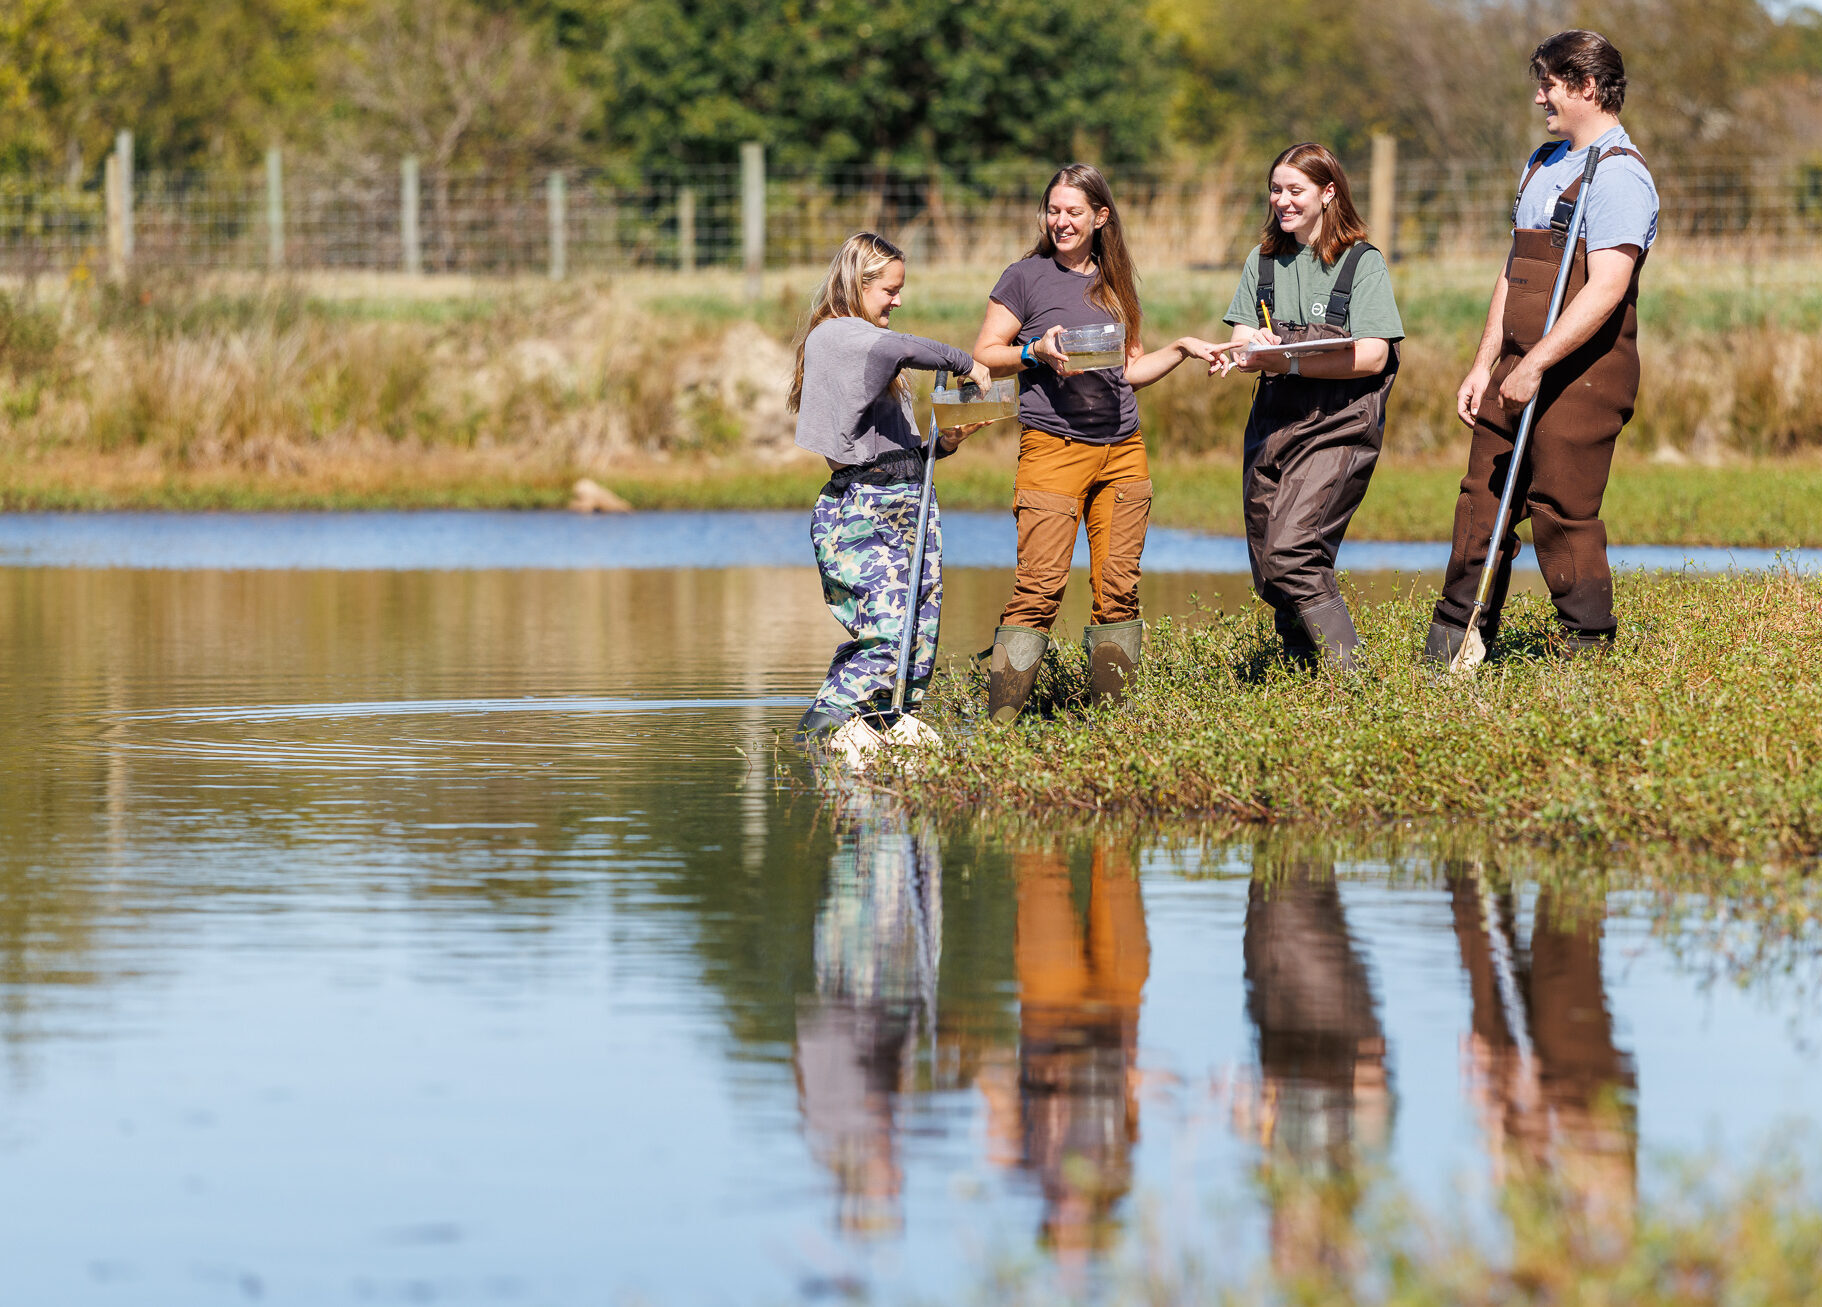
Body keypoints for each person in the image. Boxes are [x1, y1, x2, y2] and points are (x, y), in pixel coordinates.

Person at [1426, 30, 1659, 664]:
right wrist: (1486, 364)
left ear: (1587, 87)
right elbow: (1513, 273)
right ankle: (1456, 644)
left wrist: (1535, 365)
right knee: (1482, 498)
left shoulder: (1620, 177)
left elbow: (1606, 289)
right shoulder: (1541, 163)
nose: (1539, 98)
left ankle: (1585, 653)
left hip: (1584, 374)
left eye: (1550, 85)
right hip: (1515, 366)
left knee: (1561, 507)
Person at [972, 164, 1222, 722]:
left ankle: (1111, 728)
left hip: (1123, 451)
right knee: (1038, 590)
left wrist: (1181, 348)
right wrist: (1035, 352)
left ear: (1100, 217)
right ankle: (999, 730)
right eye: (1053, 210)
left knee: (1119, 593)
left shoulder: (1116, 280)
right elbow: (986, 352)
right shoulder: (1024, 277)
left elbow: (1128, 371)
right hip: (1052, 449)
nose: (1060, 221)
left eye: (1073, 212)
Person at [790, 232, 992, 743]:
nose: (898, 300)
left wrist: (944, 444)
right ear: (857, 284)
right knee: (889, 632)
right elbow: (906, 348)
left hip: (909, 498)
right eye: (889, 290)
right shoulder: (835, 336)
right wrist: (966, 362)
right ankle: (812, 741)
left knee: (919, 635)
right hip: (863, 507)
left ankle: (881, 732)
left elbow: (899, 452)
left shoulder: (868, 346)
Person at [1216, 143, 1404, 671]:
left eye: (1295, 190)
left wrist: (1290, 362)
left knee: (1292, 551)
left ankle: (1352, 676)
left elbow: (1372, 355)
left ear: (1328, 193)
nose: (1283, 200)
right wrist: (1244, 349)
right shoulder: (1263, 261)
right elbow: (1242, 335)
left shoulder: (1362, 263)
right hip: (1273, 424)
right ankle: (1300, 675)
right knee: (1267, 562)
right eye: (1276, 190)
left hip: (1340, 425)